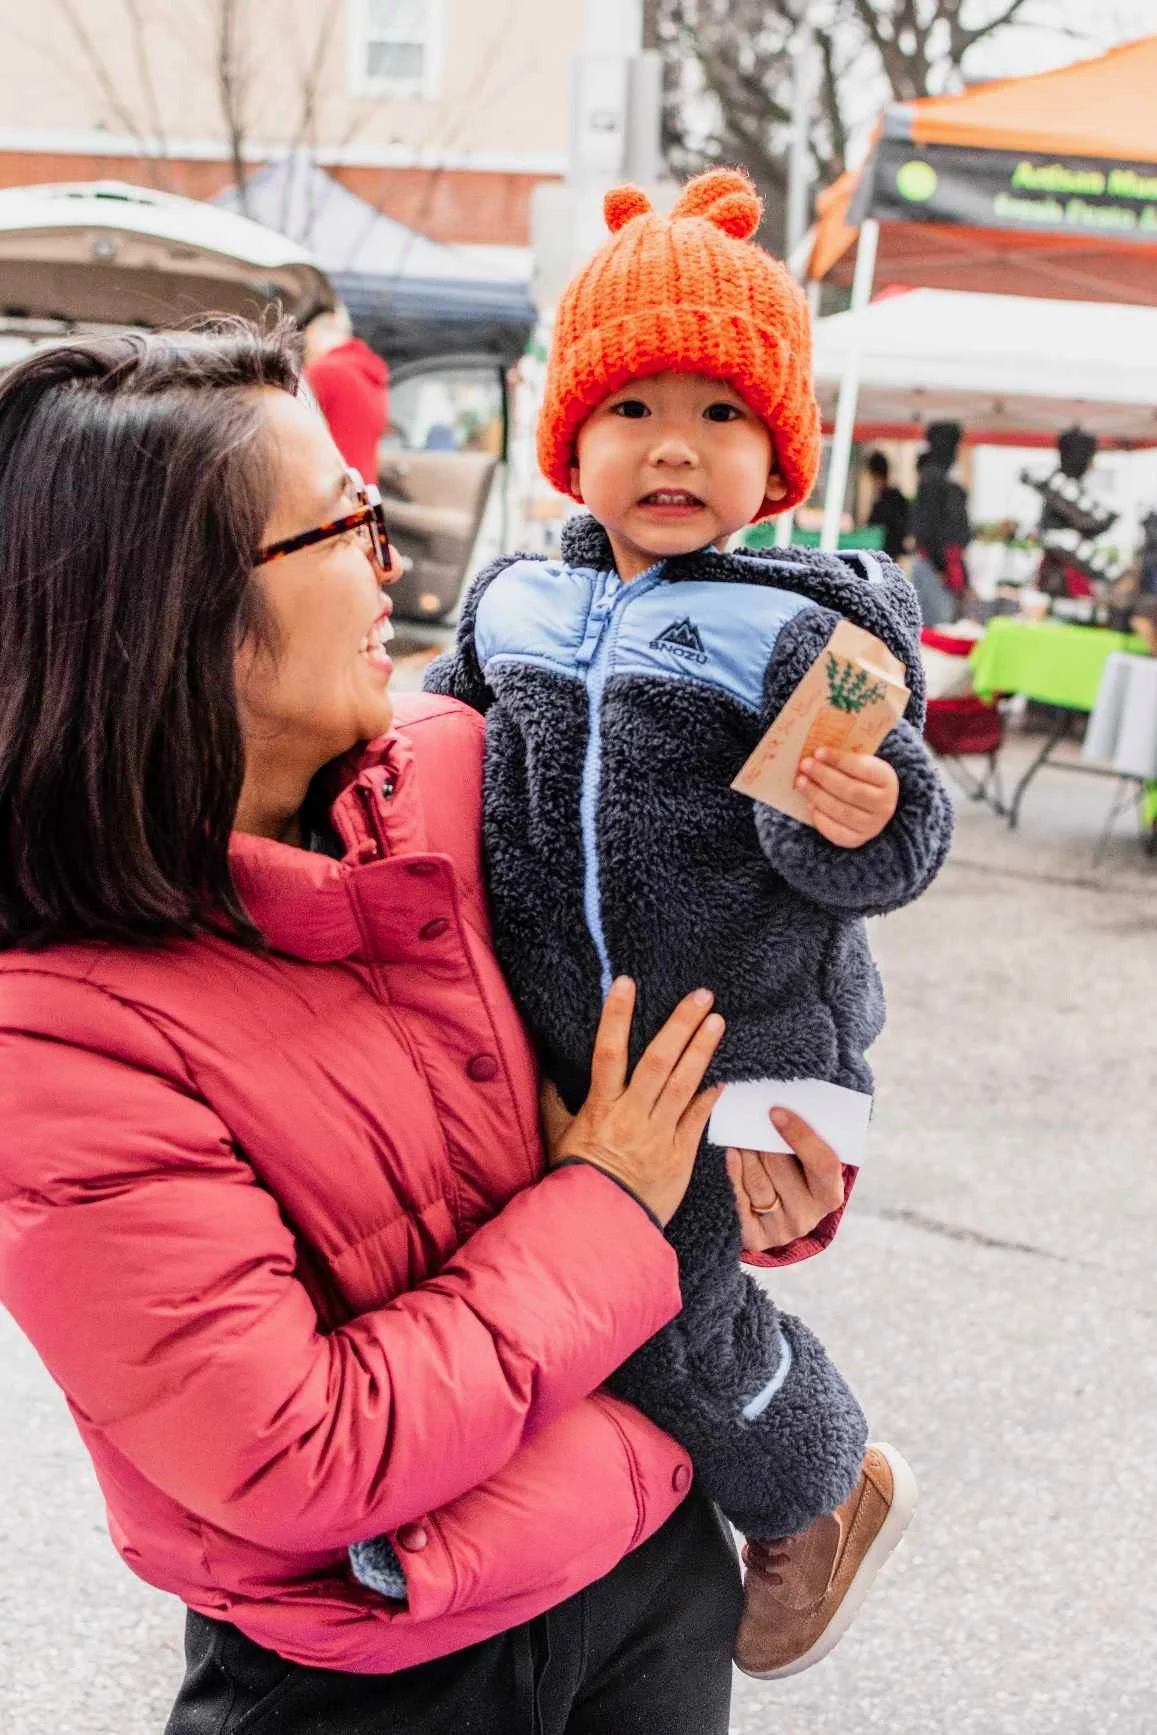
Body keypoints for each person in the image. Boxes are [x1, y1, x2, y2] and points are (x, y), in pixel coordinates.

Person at [0, 322, 851, 1734]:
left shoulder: (460, 767)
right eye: (345, 523)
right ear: (177, 608)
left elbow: (710, 966)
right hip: (378, 1666)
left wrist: (775, 1161)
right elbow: (299, 1448)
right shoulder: (56, 1035)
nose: (389, 564)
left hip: (653, 1562)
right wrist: (611, 1202)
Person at [420, 170, 953, 1680]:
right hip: (569, 1045)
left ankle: (818, 1484)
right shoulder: (510, 604)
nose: (673, 443)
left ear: (777, 455)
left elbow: (896, 843)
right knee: (576, 1296)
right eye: (633, 406)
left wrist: (855, 814)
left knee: (661, 1313)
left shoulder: (803, 630)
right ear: (567, 436)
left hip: (740, 1051)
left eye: (722, 412)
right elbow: (432, 756)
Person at [302, 302, 389, 483]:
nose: (305, 352)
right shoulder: (371, 376)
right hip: (362, 490)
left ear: (315, 334)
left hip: (331, 488)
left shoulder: (323, 372)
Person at [909, 422, 972, 626]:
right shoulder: (933, 481)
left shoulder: (937, 479)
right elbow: (928, 529)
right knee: (938, 626)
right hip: (937, 569)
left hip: (940, 567)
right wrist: (941, 568)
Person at [864, 449, 910, 560]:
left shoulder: (884, 501)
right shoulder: (897, 497)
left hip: (885, 552)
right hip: (891, 553)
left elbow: (873, 526)